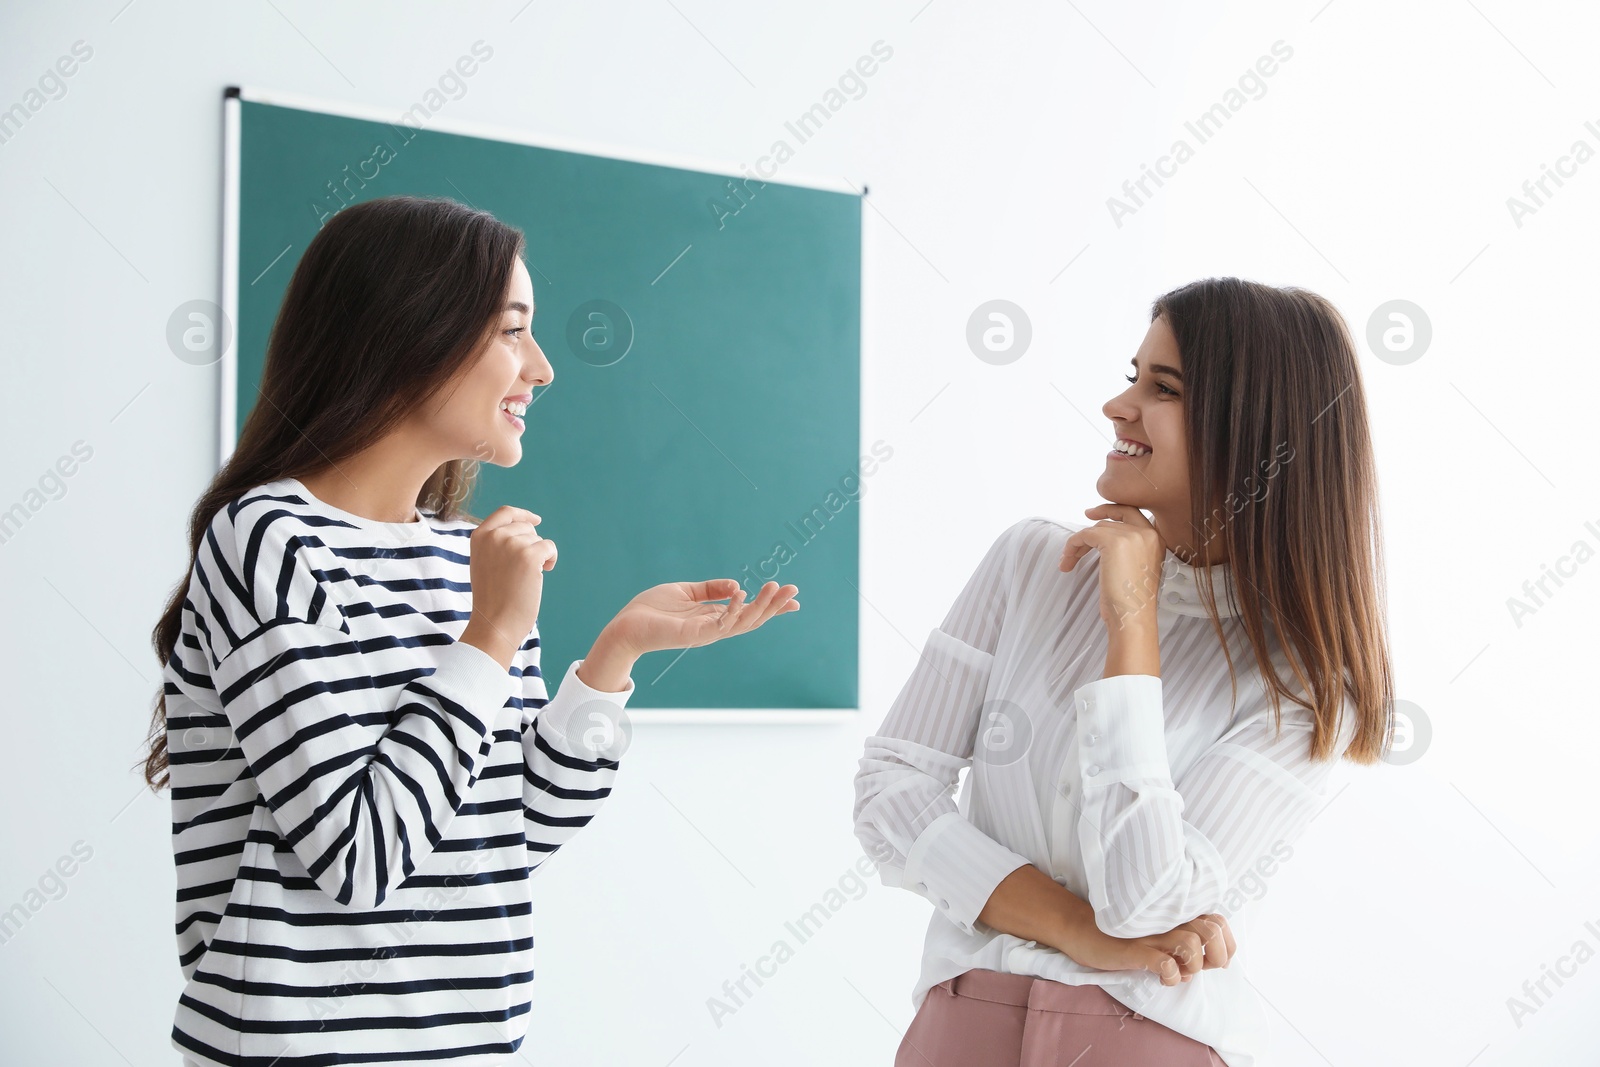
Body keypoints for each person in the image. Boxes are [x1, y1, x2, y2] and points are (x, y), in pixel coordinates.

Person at [142, 195, 799, 1065]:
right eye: (511, 330)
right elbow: (360, 859)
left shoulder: (470, 557)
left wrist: (612, 659)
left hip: (471, 1043)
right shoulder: (268, 538)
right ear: (409, 334)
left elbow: (511, 833)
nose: (543, 368)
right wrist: (489, 637)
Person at [853, 277, 1394, 1067]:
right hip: (964, 1021)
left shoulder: (1305, 687)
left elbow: (1144, 899)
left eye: (1163, 388)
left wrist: (1131, 624)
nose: (1119, 404)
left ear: (1253, 432)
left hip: (1146, 1038)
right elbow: (888, 793)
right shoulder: (1032, 564)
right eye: (1133, 374)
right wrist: (1072, 925)